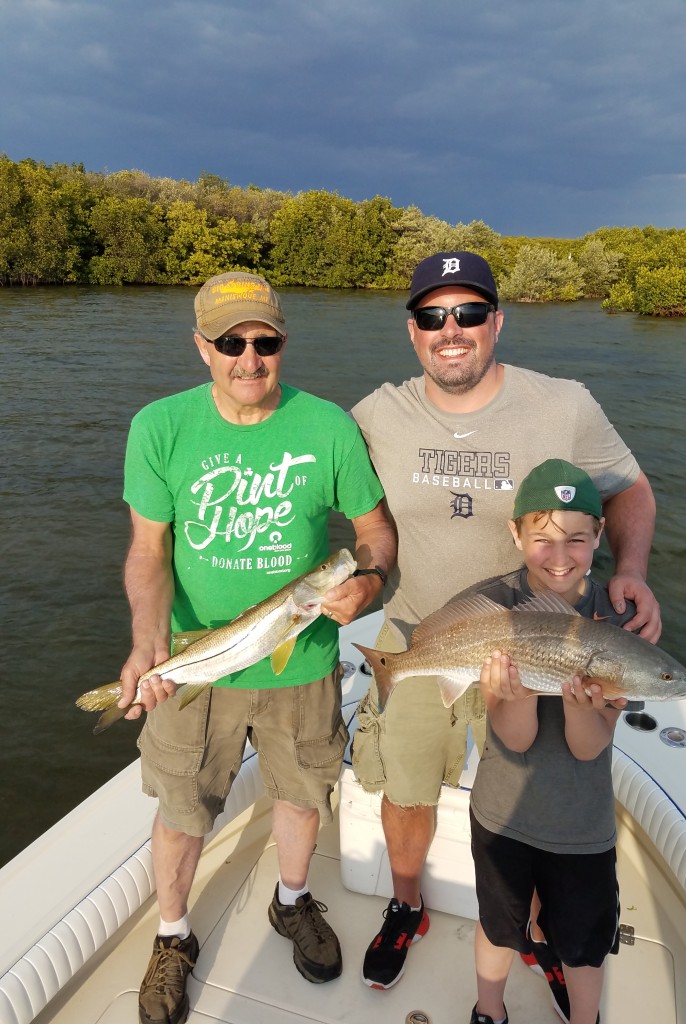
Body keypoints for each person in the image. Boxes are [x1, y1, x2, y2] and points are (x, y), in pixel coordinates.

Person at [349, 251, 660, 997]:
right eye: (432, 316)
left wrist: (631, 571)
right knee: (409, 784)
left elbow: (633, 489)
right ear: (412, 329)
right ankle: (406, 904)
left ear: (497, 320)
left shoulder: (564, 404)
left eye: (467, 313)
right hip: (420, 635)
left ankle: (544, 934)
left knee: (534, 801)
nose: (449, 330)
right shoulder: (373, 415)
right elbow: (326, 491)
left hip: (536, 641)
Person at [117, 271, 396, 1024]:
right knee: (182, 808)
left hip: (301, 663)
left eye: (264, 341)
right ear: (202, 347)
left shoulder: (327, 426)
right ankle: (173, 937)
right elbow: (148, 552)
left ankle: (292, 902)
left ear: (282, 344)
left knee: (303, 794)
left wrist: (364, 585)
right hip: (193, 663)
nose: (249, 357)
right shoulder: (159, 427)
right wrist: (148, 645)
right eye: (230, 342)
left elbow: (373, 534)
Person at [469, 458, 630, 1024]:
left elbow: (589, 748)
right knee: (499, 929)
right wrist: (511, 692)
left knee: (584, 945)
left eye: (577, 540)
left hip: (581, 827)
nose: (560, 557)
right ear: (515, 534)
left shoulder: (616, 623)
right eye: (542, 540)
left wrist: (581, 705)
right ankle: (489, 1010)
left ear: (599, 537)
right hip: (502, 815)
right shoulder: (494, 609)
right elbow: (515, 739)